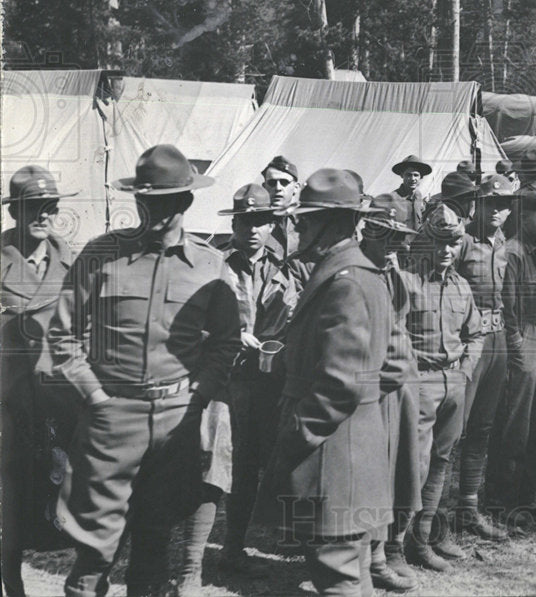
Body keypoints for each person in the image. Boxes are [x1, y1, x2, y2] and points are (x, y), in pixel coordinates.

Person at [47, 144, 241, 597]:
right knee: (96, 547)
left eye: (163, 201)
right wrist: (96, 399)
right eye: (145, 200)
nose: (151, 210)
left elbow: (227, 342)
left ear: (185, 202)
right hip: (112, 418)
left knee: (155, 541)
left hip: (179, 420)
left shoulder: (211, 267)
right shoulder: (100, 255)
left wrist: (200, 395)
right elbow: (61, 336)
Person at [255, 169, 392, 597]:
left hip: (330, 455)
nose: (299, 226)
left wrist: (297, 434)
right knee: (351, 573)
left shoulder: (345, 283)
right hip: (353, 449)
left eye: (307, 219)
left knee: (337, 576)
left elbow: (340, 382)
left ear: (333, 224)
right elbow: (396, 363)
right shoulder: (363, 275)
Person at [175, 184, 294, 594]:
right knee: (214, 467)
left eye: (262, 222)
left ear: (271, 225)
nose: (254, 230)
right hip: (225, 381)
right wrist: (230, 333)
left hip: (267, 382)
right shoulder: (215, 265)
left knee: (250, 469)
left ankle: (233, 549)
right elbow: (192, 321)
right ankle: (190, 568)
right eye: (246, 221)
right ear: (235, 223)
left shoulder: (287, 268)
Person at [1, 166, 78, 597]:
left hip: (59, 400)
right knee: (8, 497)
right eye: (35, 208)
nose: (45, 216)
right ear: (16, 211)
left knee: (60, 490)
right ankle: (11, 583)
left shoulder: (72, 260)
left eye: (51, 207)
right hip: (8, 400)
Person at [400, 205, 483, 572]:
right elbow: (394, 333)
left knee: (441, 462)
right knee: (411, 466)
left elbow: (476, 333)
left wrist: (466, 371)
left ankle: (423, 540)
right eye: (439, 242)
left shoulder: (462, 286)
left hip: (454, 383)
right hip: (419, 382)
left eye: (453, 243)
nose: (447, 251)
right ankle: (391, 548)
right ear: (426, 243)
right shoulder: (407, 281)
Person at [359, 195, 421, 593]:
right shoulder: (357, 270)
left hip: (396, 388)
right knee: (364, 477)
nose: (395, 246)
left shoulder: (391, 271)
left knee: (394, 472)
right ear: (369, 230)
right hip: (366, 388)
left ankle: (381, 553)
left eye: (400, 239)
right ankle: (363, 561)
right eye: (388, 237)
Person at [454, 175, 517, 542]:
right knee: (454, 429)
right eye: (491, 203)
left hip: (497, 340)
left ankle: (467, 507)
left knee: (483, 426)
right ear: (479, 203)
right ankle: (429, 514)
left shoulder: (505, 243)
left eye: (503, 205)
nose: (497, 210)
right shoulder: (461, 241)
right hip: (467, 342)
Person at [494, 190, 536, 524]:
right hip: (523, 335)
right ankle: (502, 498)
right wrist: (517, 345)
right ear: (524, 217)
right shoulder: (513, 253)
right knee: (516, 422)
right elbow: (507, 307)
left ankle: (526, 497)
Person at [261, 155, 301, 259]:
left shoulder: (310, 224)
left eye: (284, 182)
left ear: (296, 188)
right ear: (264, 187)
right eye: (272, 183)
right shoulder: (255, 226)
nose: (278, 188)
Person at [384, 155, 432, 231]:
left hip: (418, 241)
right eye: (408, 175)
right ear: (402, 175)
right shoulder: (392, 199)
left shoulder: (418, 196)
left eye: (416, 175)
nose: (413, 179)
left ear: (421, 177)